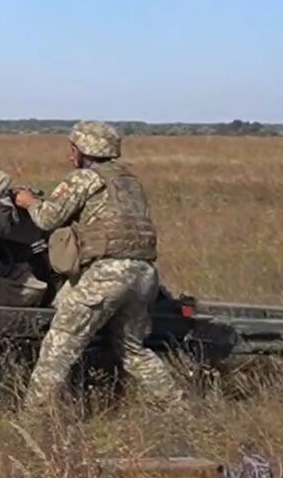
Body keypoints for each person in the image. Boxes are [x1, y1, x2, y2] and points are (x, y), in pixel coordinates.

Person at [12, 121, 184, 414]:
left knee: (60, 343)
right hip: (143, 274)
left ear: (84, 151)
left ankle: (33, 416)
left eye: (73, 149)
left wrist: (28, 202)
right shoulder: (129, 181)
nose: (70, 156)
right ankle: (177, 407)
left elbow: (47, 219)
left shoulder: (85, 179)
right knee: (132, 349)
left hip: (107, 274)